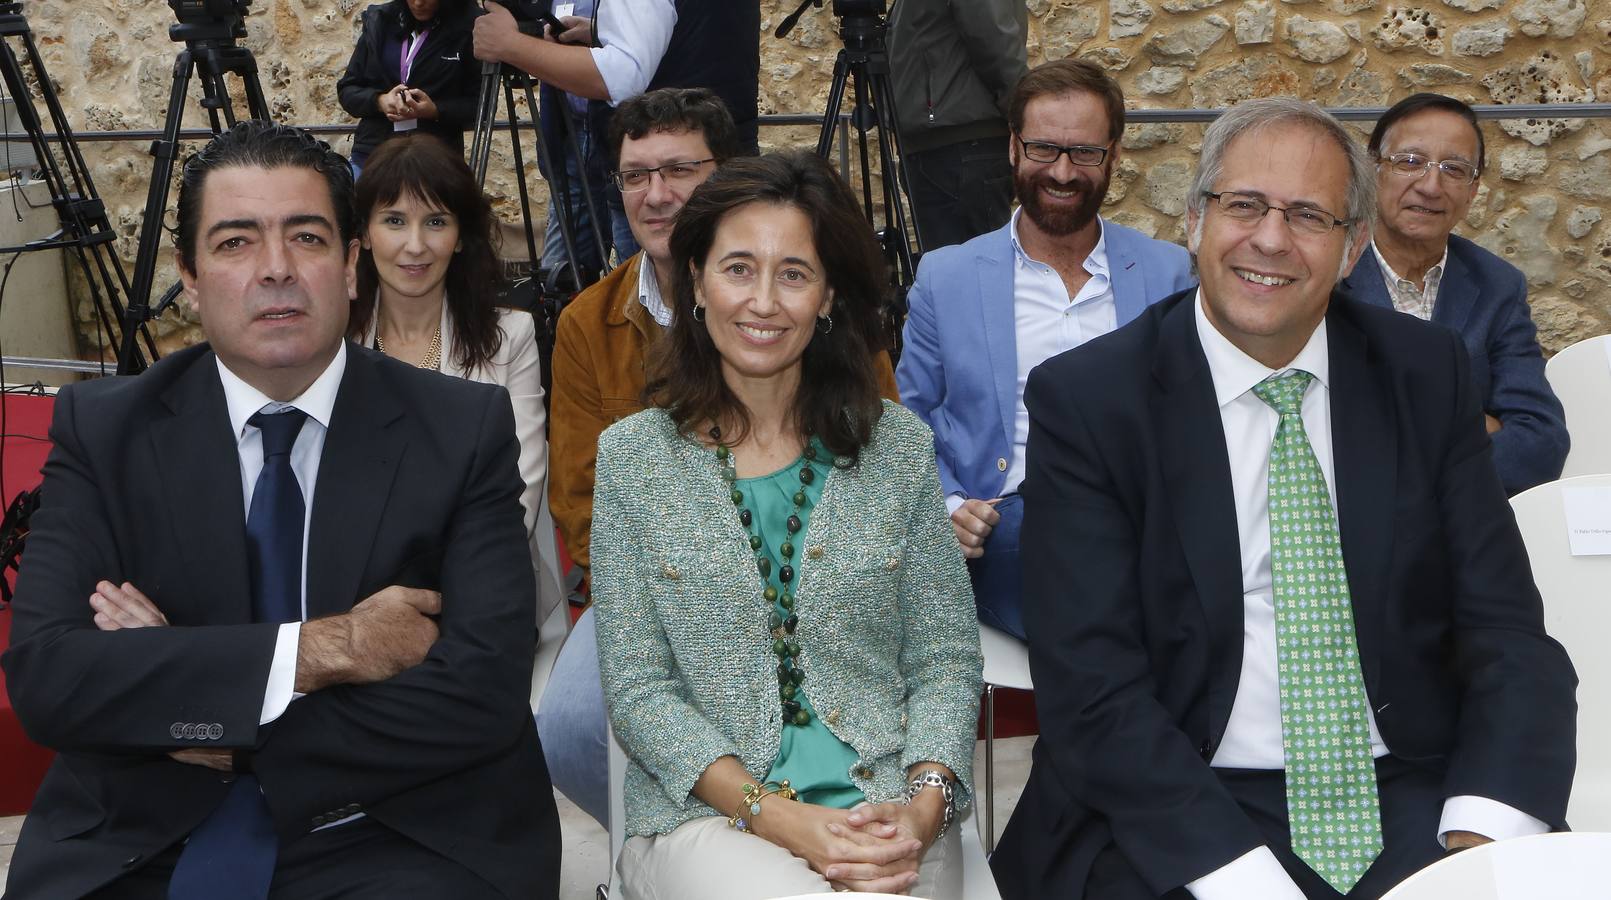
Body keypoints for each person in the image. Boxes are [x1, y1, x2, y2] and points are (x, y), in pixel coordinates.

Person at [990, 98, 1577, 900]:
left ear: (1351, 248)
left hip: (1404, 791)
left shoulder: (1423, 374)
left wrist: (1480, 837)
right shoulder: (1092, 401)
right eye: (1244, 206)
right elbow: (1092, 692)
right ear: (1194, 221)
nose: (1270, 239)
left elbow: (1505, 630)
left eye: (1308, 215)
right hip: (1172, 801)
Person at [1, 121, 560, 899]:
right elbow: (51, 676)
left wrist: (203, 698)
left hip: (400, 823)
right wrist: (323, 651)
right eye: (235, 242)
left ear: (352, 266)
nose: (275, 270)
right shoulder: (105, 430)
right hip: (148, 825)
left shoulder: (460, 429)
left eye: (306, 237)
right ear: (189, 278)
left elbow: (483, 690)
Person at [591, 149, 982, 899]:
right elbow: (640, 692)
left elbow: (944, 660)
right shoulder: (634, 461)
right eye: (738, 268)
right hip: (706, 819)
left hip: (888, 810)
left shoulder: (897, 448)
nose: (763, 301)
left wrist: (924, 808)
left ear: (828, 296)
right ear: (696, 281)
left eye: (793, 274)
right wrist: (781, 818)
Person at [539, 90, 904, 829]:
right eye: (635, 175)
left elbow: (878, 447)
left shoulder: (823, 308)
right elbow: (579, 502)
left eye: (678, 169)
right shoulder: (586, 323)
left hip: (820, 567)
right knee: (570, 727)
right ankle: (678, 835)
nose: (656, 193)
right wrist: (695, 592)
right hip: (650, 584)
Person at [897, 59, 1195, 639]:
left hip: (1135, 518)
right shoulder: (947, 276)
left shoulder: (1167, 273)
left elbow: (1193, 411)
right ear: (1013, 148)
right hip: (1004, 524)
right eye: (1042, 149)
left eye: (1084, 153)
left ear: (1112, 156)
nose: (1062, 171)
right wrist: (947, 505)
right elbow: (908, 422)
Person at [348, 132, 560, 624]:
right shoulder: (328, 341)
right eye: (395, 221)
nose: (415, 245)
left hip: (479, 597)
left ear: (461, 235)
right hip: (353, 599)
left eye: (436, 222)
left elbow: (519, 493)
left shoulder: (511, 337)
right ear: (364, 233)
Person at [1339, 92, 1568, 495]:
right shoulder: (1327, 273)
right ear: (1374, 169)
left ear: (1473, 190)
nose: (1430, 186)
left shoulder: (1497, 286)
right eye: (1410, 162)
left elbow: (1541, 445)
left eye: (1454, 169)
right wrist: (1468, 422)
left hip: (1460, 533)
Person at [473, 0, 762, 260]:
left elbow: (621, 77)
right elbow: (697, 30)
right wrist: (604, 31)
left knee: (652, 297)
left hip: (665, 164)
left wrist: (509, 44)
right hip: (719, 149)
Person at [889, 0, 1028, 251]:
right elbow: (995, 41)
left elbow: (994, 41)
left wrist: (1022, 112)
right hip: (955, 143)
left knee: (967, 273)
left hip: (956, 140)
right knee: (965, 273)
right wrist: (1023, 115)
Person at [338, 0, 482, 176]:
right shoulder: (380, 20)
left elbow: (481, 105)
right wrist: (380, 101)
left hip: (435, 159)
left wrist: (435, 110)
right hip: (373, 152)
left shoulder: (469, 26)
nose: (418, 3)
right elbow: (347, 89)